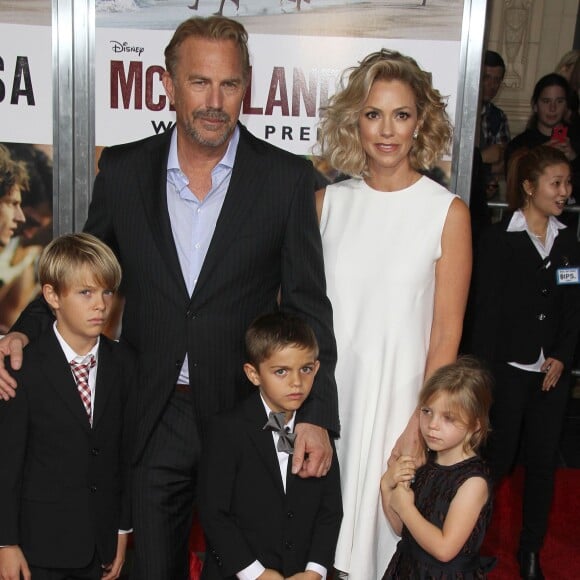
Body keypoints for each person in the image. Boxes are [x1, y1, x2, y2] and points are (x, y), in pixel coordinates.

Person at [0, 16, 338, 580]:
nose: (215, 100)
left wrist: (317, 414)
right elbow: (84, 267)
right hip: (156, 411)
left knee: (253, 570)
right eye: (199, 82)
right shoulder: (126, 170)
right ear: (168, 84)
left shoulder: (285, 178)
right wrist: (24, 329)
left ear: (246, 87)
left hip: (248, 413)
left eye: (229, 84)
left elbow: (307, 304)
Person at [315, 49, 472, 579]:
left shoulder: (445, 213)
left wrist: (419, 426)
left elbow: (445, 334)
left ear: (419, 122)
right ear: (353, 121)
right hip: (327, 402)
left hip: (399, 405)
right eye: (373, 114)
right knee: (320, 549)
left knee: (383, 553)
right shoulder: (327, 205)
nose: (386, 130)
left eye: (400, 114)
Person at [470, 145, 580, 579]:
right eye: (557, 183)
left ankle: (530, 552)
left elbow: (573, 309)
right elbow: (486, 312)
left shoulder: (569, 239)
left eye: (568, 182)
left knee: (541, 468)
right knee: (494, 464)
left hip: (550, 378)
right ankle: (469, 544)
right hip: (506, 374)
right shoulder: (499, 239)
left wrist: (561, 358)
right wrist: (481, 380)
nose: (565, 191)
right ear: (530, 188)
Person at [0, 233, 135, 580]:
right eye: (85, 292)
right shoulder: (24, 369)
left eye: (107, 292)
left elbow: (124, 456)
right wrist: (6, 544)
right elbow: (8, 463)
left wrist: (121, 531)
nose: (100, 305)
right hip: (38, 549)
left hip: (102, 547)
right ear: (52, 296)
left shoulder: (124, 364)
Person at [198, 312, 342, 579]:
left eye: (306, 369)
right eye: (281, 371)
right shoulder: (227, 429)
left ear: (317, 368)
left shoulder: (317, 435)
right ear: (253, 374)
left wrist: (315, 571)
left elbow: (330, 511)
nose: (296, 382)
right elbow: (214, 512)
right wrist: (256, 573)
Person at [380, 356, 494, 579]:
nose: (432, 425)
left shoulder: (473, 482)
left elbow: (444, 549)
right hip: (409, 569)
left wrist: (405, 507)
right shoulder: (426, 465)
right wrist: (387, 487)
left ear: (475, 425)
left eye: (448, 418)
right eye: (427, 411)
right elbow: (404, 530)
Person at [504, 73, 580, 231]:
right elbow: (514, 183)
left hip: (569, 225)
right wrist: (540, 157)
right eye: (546, 101)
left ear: (567, 105)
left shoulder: (576, 140)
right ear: (535, 105)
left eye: (559, 101)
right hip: (527, 225)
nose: (552, 108)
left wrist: (574, 158)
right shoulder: (520, 144)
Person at [479, 50, 511, 198]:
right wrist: (483, 157)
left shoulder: (498, 116)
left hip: (485, 195)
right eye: (486, 77)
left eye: (497, 80)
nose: (492, 85)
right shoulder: (455, 110)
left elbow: (501, 164)